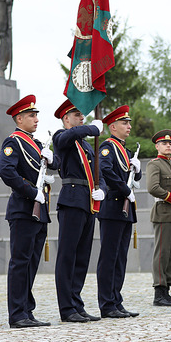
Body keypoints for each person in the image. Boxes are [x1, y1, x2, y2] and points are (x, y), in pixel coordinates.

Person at [0, 95, 54, 328]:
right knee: (20, 262)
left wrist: (52, 160)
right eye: (31, 115)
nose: (36, 119)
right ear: (19, 118)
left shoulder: (36, 143)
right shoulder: (14, 142)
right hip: (24, 207)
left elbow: (54, 165)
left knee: (31, 262)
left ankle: (27, 310)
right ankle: (17, 313)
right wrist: (32, 192)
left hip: (39, 210)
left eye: (37, 115)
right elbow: (6, 171)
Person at [52, 99, 104, 322]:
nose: (81, 117)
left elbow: (95, 170)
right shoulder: (61, 137)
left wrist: (100, 188)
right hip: (71, 199)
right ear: (65, 119)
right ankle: (66, 308)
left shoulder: (84, 144)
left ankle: (77, 303)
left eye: (81, 115)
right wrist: (92, 128)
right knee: (68, 255)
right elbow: (67, 137)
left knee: (82, 257)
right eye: (76, 115)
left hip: (87, 200)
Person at [96, 105, 142, 318]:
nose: (129, 126)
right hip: (113, 207)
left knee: (120, 257)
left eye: (129, 123)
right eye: (125, 123)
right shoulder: (108, 147)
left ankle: (116, 300)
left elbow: (131, 177)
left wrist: (138, 170)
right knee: (109, 257)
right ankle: (107, 304)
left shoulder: (125, 150)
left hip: (124, 209)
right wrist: (125, 190)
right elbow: (105, 170)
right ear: (113, 126)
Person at [145, 129, 171, 306]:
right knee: (162, 254)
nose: (168, 146)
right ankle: (159, 292)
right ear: (157, 146)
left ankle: (167, 290)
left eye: (170, 143)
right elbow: (153, 188)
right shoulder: (155, 164)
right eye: (164, 143)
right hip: (163, 212)